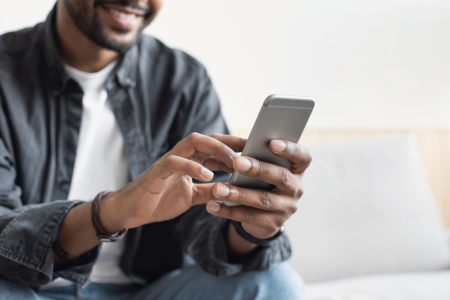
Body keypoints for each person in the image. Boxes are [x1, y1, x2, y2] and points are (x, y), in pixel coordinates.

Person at [0, 0, 312, 299]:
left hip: (147, 292)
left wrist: (251, 229)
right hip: (28, 290)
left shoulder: (183, 80)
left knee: (275, 284)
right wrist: (111, 213)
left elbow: (208, 231)